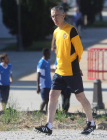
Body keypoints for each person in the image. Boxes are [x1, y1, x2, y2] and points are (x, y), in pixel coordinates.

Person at [35, 5, 96, 135]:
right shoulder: (56, 32)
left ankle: (91, 122)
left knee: (80, 97)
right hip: (59, 71)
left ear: (63, 15)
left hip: (72, 71)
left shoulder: (72, 30)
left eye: (56, 15)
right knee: (52, 96)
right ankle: (49, 126)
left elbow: (79, 50)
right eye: (52, 16)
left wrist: (76, 66)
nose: (54, 18)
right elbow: (60, 52)